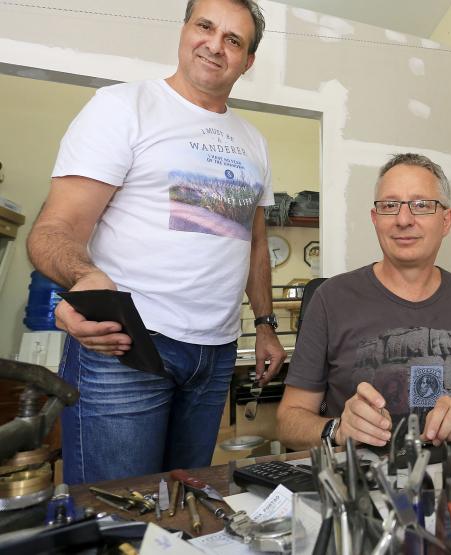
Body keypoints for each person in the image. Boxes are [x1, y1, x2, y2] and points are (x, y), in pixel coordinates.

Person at [26, 0, 285, 484]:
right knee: (117, 510)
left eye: (234, 40)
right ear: (185, 30)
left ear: (248, 61)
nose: (215, 44)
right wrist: (84, 278)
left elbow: (252, 243)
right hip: (126, 346)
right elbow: (53, 229)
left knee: (183, 509)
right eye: (205, 26)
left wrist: (266, 323)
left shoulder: (253, 140)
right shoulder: (122, 107)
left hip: (215, 355)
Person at [277, 153, 451, 450]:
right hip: (359, 487)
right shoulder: (331, 299)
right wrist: (338, 429)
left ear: (446, 221)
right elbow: (288, 422)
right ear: (375, 220)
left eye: (421, 205)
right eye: (389, 206)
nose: (403, 220)